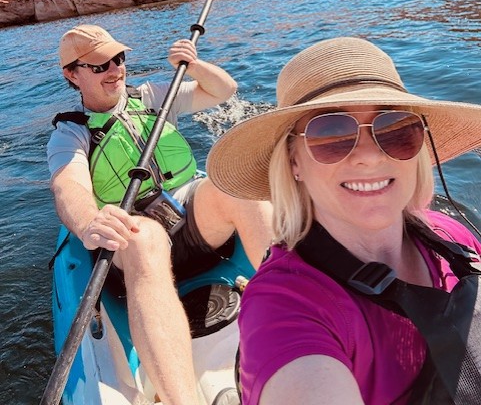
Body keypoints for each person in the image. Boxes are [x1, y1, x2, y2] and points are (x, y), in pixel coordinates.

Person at [207, 36, 481, 405]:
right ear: (294, 161)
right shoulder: (285, 304)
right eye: (331, 133)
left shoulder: (453, 237)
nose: (370, 156)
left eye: (395, 129)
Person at [47, 23, 273, 405]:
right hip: (136, 237)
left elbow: (224, 90)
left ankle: (298, 314)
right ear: (72, 74)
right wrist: (88, 223)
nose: (115, 70)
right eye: (99, 66)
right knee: (145, 238)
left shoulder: (153, 95)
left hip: (187, 217)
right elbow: (68, 186)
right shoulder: (71, 134)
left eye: (118, 59)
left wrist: (195, 65)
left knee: (236, 188)